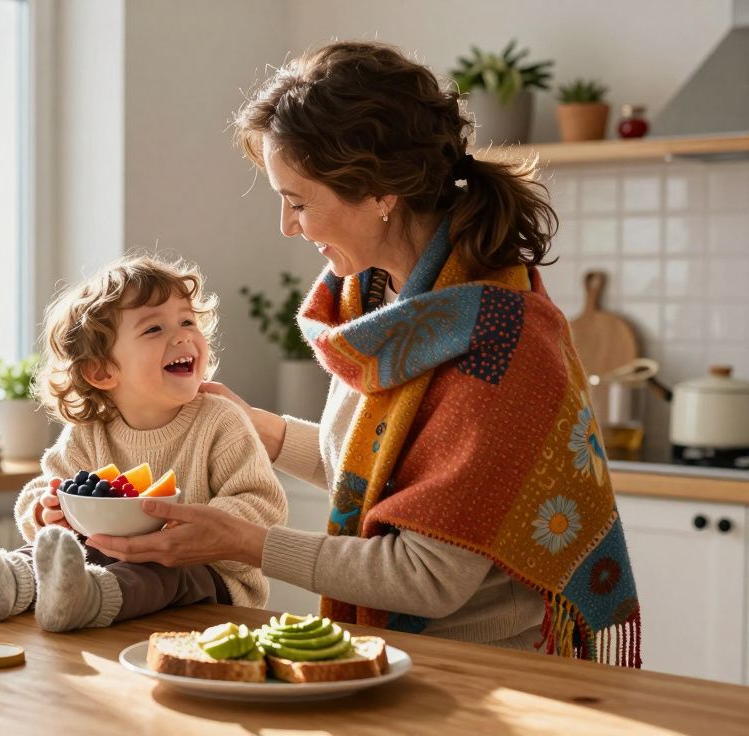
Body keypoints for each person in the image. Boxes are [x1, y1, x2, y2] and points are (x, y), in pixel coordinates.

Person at [88, 41, 641, 666]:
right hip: (397, 659)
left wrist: (244, 541)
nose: (286, 226)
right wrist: (258, 428)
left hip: (489, 673)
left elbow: (426, 576)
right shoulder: (374, 308)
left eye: (298, 201)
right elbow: (386, 477)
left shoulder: (497, 341)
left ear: (381, 191)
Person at [0, 255, 288, 632]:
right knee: (57, 554)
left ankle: (87, 599)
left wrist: (196, 527)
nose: (182, 335)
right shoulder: (90, 431)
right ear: (102, 371)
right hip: (105, 557)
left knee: (157, 571)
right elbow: (49, 486)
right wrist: (46, 511)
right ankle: (4, 584)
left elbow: (262, 503)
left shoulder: (220, 420)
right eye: (154, 329)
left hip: (206, 576)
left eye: (187, 321)